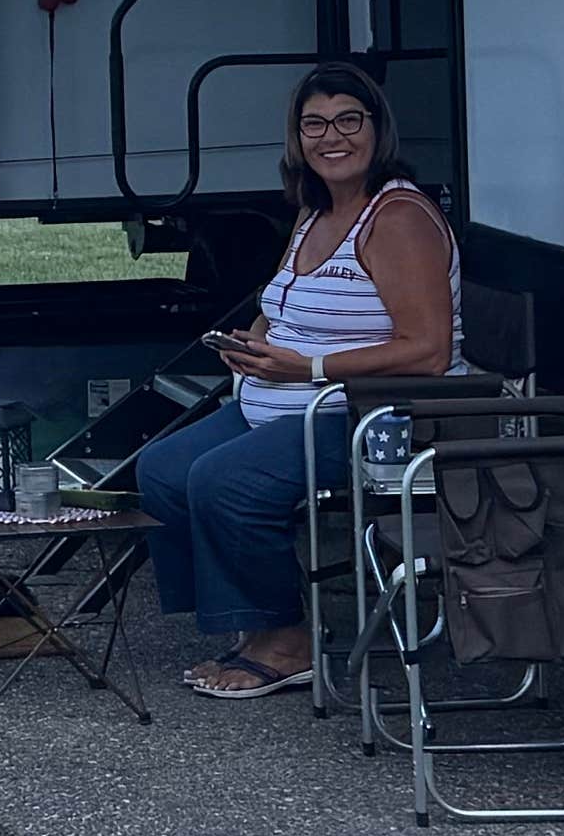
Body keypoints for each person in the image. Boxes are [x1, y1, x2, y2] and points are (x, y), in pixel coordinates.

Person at [132, 63, 460, 698]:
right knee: (163, 469)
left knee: (224, 481)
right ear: (297, 137)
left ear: (377, 130)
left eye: (347, 121)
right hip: (284, 400)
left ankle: (286, 642)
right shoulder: (316, 211)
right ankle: (251, 623)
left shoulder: (397, 218)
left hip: (373, 417)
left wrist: (305, 367)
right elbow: (281, 301)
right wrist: (254, 339)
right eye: (314, 124)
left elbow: (428, 352)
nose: (331, 137)